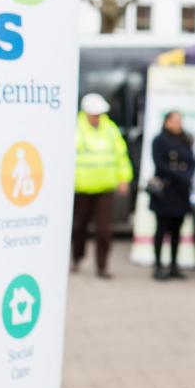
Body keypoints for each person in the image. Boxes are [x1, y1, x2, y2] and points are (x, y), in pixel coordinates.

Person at [73, 93, 133, 279]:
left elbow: (121, 155)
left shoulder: (110, 129)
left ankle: (102, 266)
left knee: (103, 230)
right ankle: (77, 258)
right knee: (79, 227)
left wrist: (124, 178)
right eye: (93, 113)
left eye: (99, 113)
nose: (97, 117)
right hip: (81, 186)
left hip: (105, 186)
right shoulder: (75, 128)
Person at [149, 111, 195, 281]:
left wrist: (188, 176)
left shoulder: (186, 139)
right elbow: (160, 164)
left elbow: (191, 161)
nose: (177, 124)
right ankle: (157, 265)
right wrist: (181, 176)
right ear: (166, 122)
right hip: (165, 190)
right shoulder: (159, 140)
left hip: (181, 192)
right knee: (161, 228)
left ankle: (174, 265)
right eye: (174, 120)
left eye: (179, 120)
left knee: (177, 229)